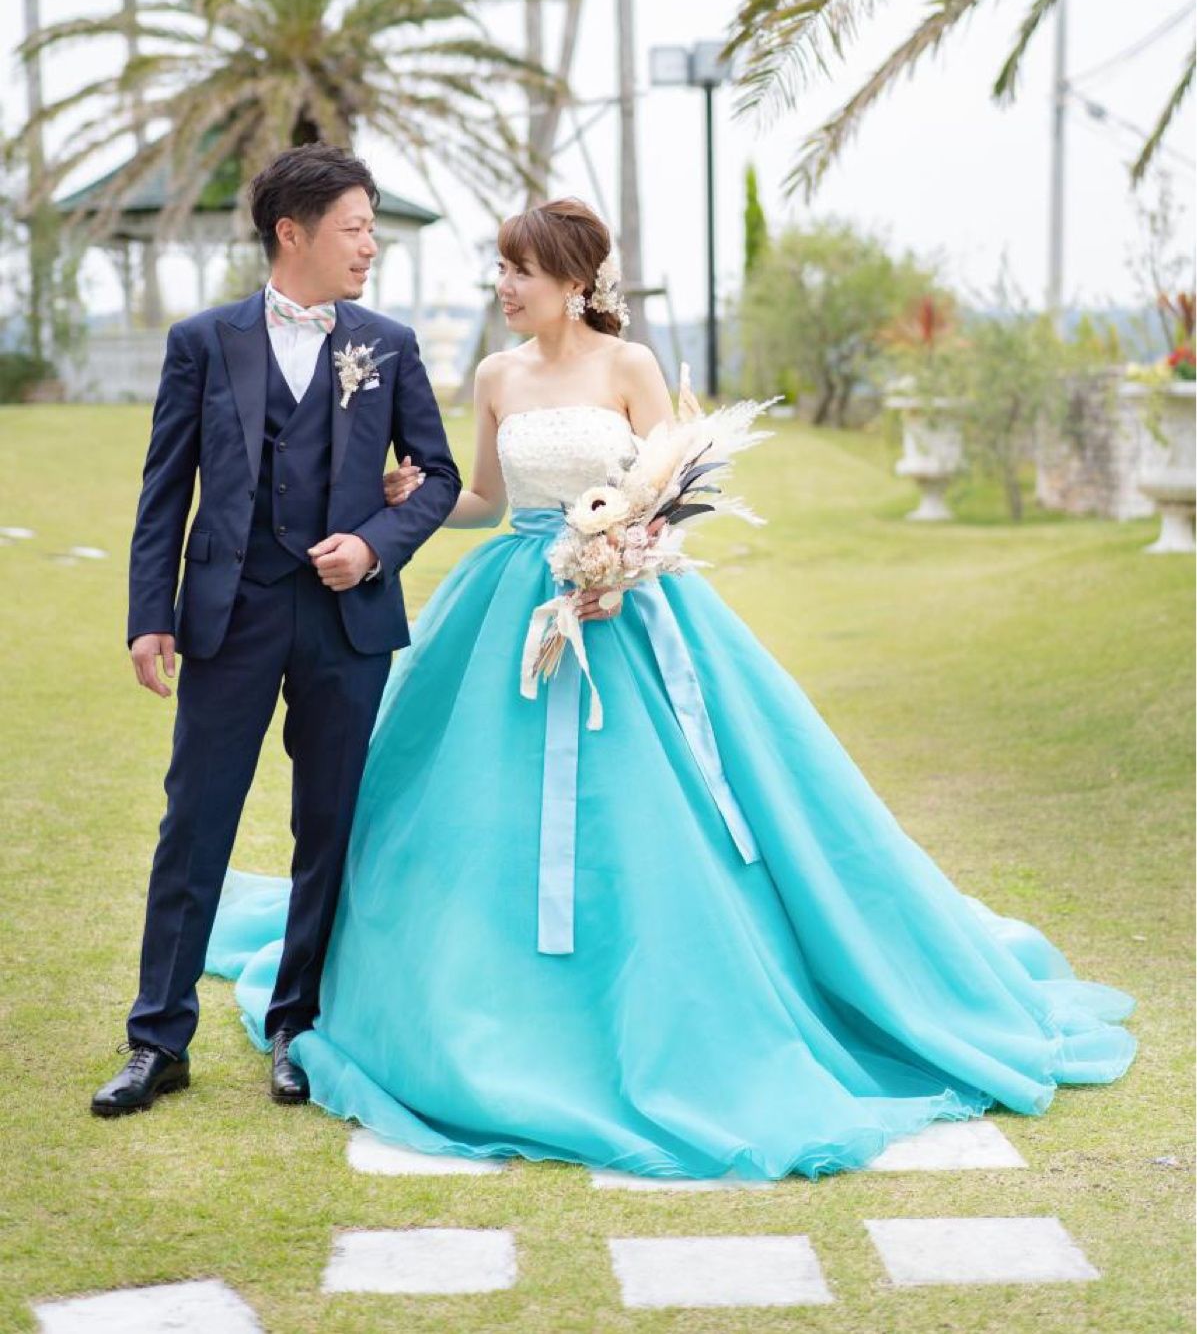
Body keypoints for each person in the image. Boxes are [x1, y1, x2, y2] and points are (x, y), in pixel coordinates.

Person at [205, 196, 1136, 1179]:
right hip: (509, 604)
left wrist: (622, 562)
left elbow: (672, 492)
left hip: (623, 609)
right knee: (458, 804)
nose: (503, 287)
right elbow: (485, 498)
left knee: (654, 814)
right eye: (500, 269)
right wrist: (416, 497)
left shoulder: (630, 366)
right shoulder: (494, 374)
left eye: (520, 271)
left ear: (573, 281)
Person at [92, 145, 461, 1117]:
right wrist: (149, 614)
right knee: (194, 820)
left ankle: (299, 1026)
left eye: (373, 228)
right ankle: (157, 1037)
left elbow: (439, 475)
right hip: (231, 612)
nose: (370, 246)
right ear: (291, 232)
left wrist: (375, 545)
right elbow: (164, 487)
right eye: (355, 228)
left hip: (347, 619)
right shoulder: (202, 341)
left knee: (327, 824)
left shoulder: (387, 344)